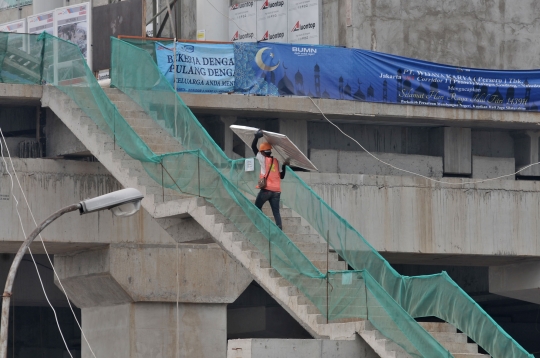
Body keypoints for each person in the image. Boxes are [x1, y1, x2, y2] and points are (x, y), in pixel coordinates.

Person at [252, 129, 288, 230]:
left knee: (257, 207)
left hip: (266, 190)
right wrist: (285, 165)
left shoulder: (262, 158)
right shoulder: (277, 161)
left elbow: (253, 147)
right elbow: (282, 176)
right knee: (276, 212)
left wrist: (256, 137)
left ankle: (265, 225)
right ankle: (279, 229)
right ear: (270, 151)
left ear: (262, 152)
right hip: (276, 191)